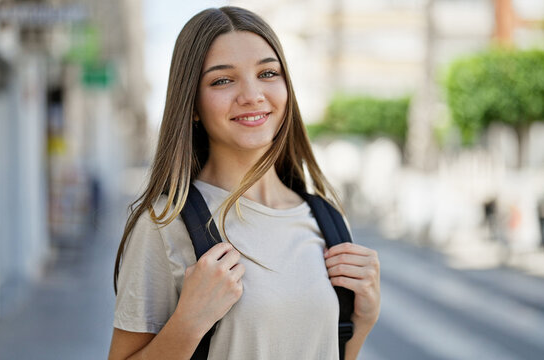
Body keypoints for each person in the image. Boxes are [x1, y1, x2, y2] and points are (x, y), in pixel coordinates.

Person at [108, 6, 380, 360]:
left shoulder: (327, 221)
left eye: (268, 73)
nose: (252, 95)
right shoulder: (164, 224)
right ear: (191, 103)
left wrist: (363, 323)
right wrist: (188, 323)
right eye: (222, 80)